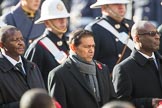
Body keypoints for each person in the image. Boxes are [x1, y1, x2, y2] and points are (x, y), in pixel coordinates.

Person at [48, 28, 116, 108]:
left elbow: (112, 100)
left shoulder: (103, 69)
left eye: (93, 46)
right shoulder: (59, 74)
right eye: (87, 47)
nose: (91, 50)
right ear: (73, 47)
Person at [112, 21, 162, 108]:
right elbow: (120, 103)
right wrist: (148, 103)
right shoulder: (123, 69)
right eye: (152, 34)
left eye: (157, 33)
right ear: (137, 38)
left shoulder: (159, 61)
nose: (157, 37)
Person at [24, 0, 70, 88]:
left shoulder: (69, 42)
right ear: (47, 22)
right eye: (57, 18)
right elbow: (31, 80)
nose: (62, 21)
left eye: (64, 17)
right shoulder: (37, 47)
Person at [0, 25, 45, 108]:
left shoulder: (33, 66)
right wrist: (29, 103)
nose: (21, 43)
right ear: (2, 45)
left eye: (21, 39)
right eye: (15, 40)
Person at [85, 0, 134, 73]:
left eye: (123, 3)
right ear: (104, 7)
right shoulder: (94, 29)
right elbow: (89, 62)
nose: (121, 7)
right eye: (116, 3)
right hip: (108, 81)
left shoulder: (132, 25)